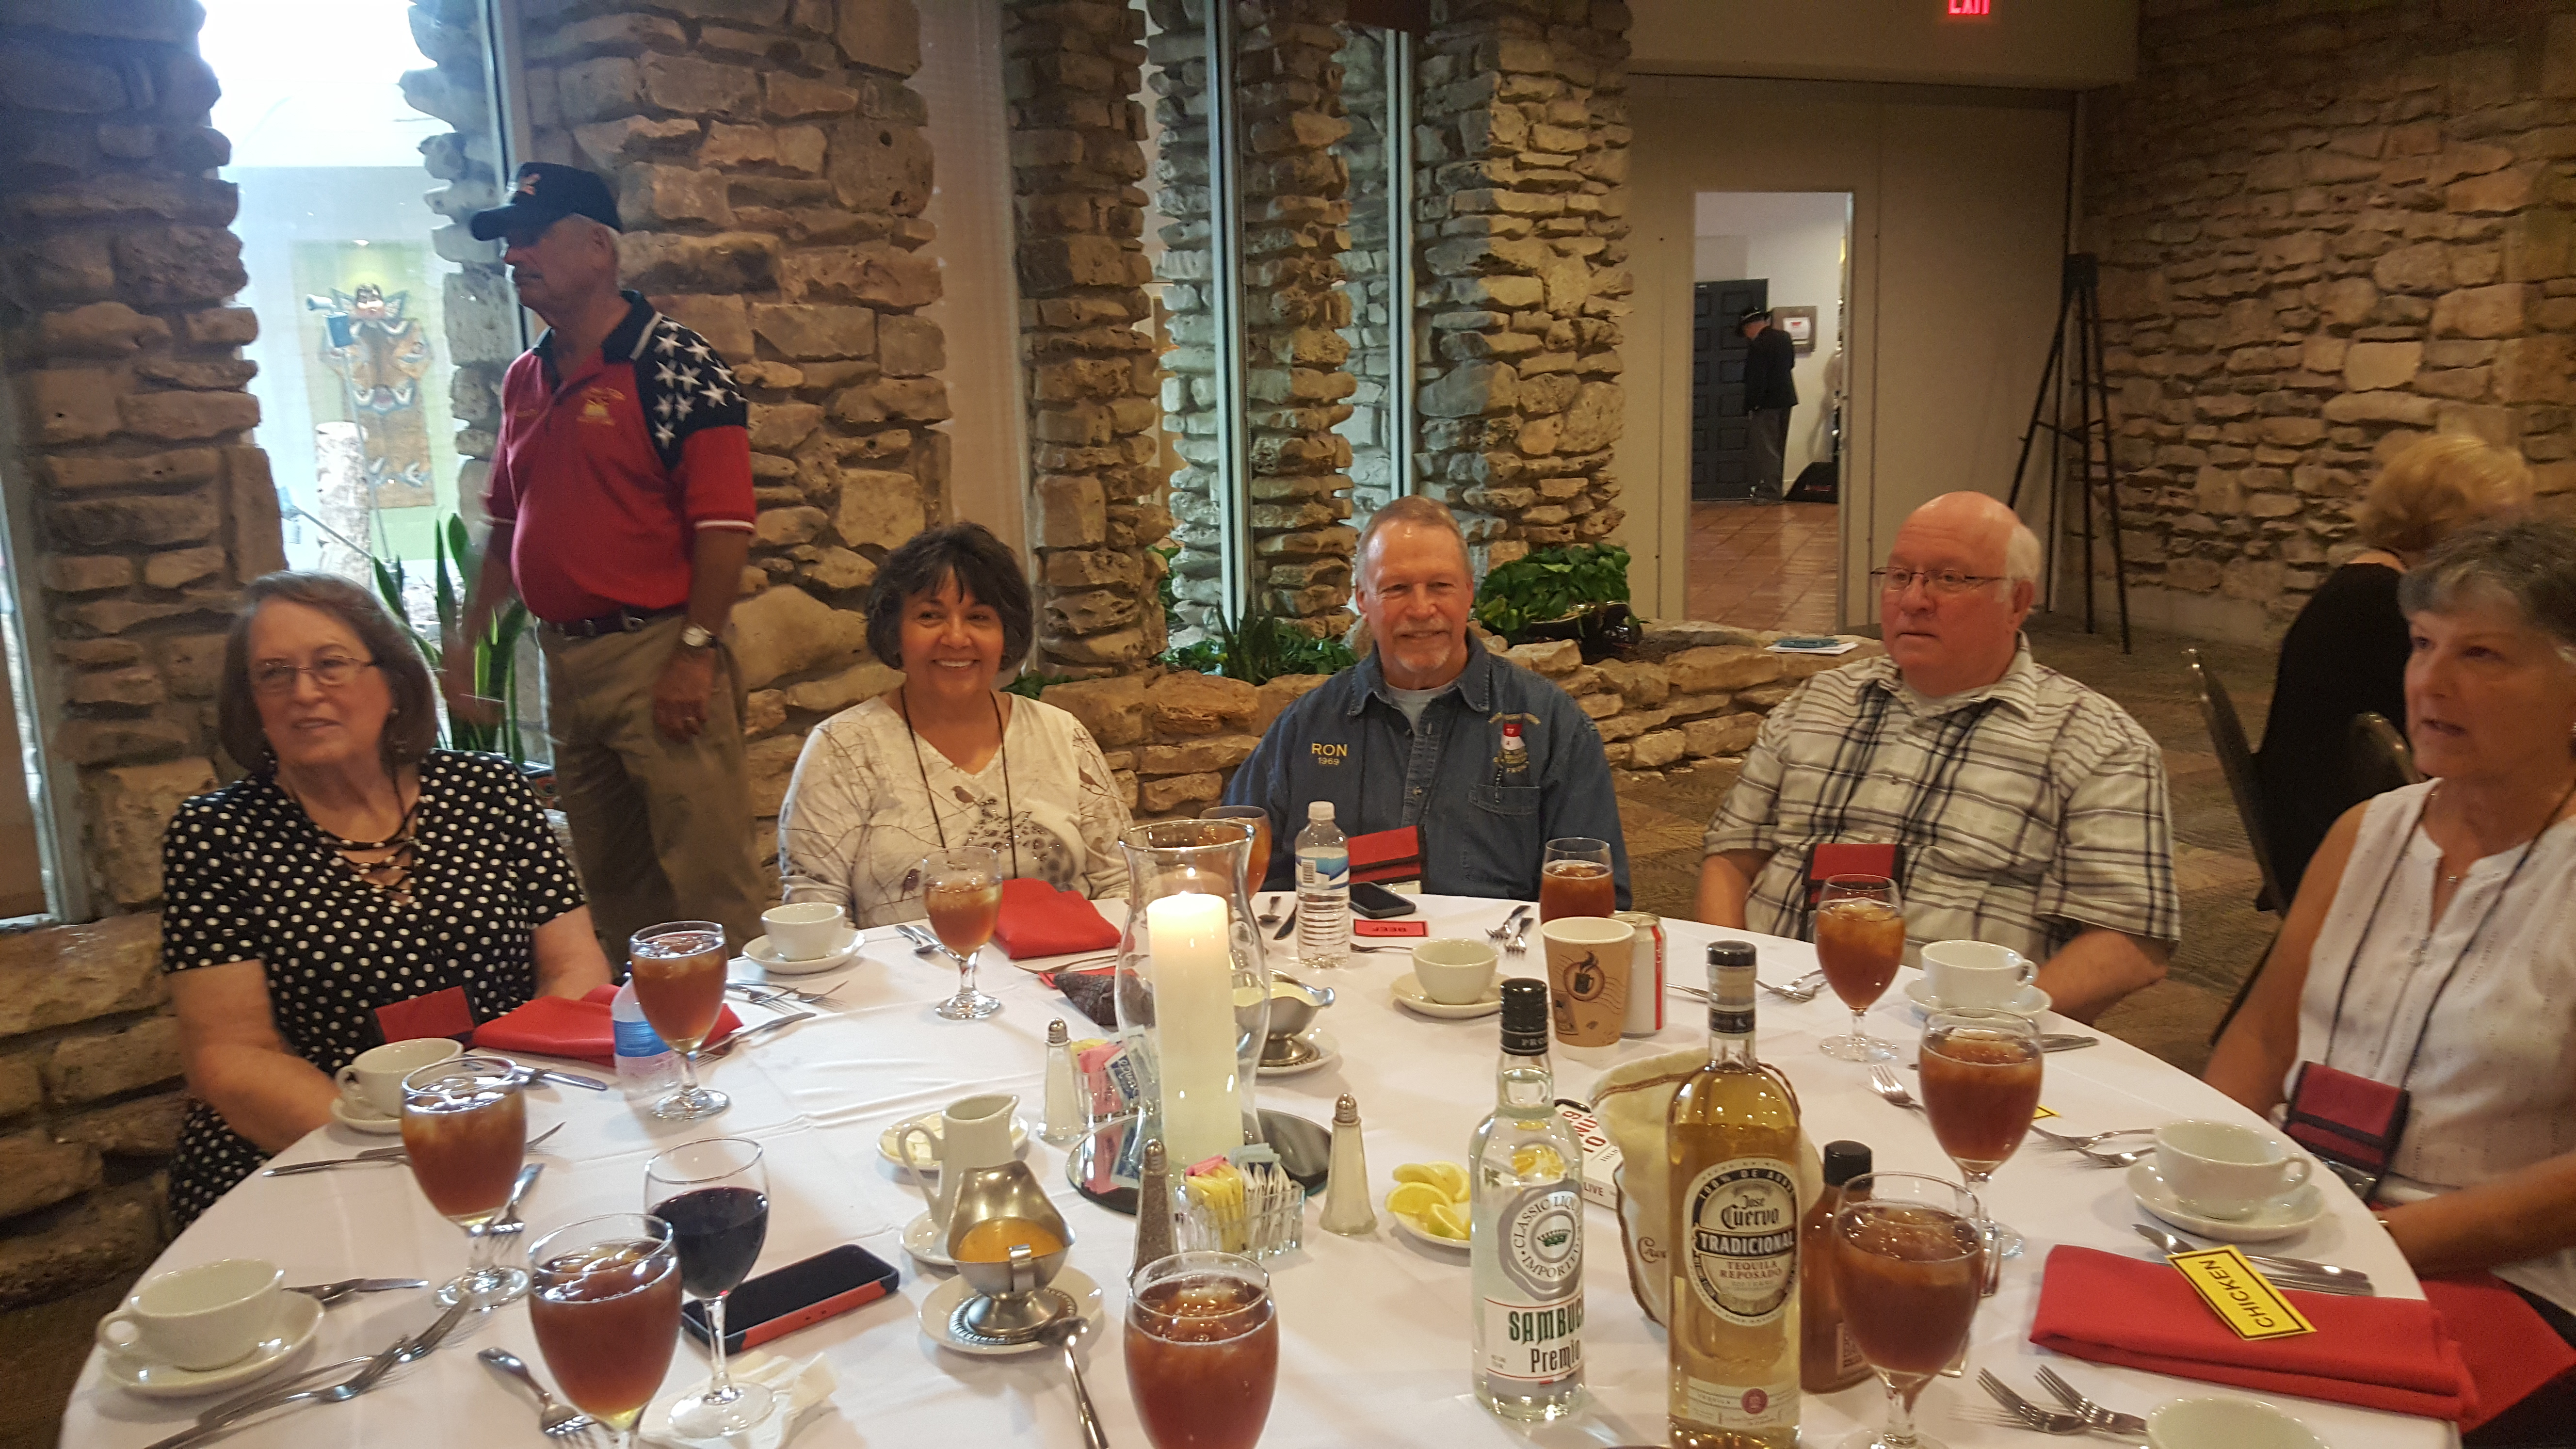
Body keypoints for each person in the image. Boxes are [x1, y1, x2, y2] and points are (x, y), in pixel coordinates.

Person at [2206, 518, 2576, 1440]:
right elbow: (2262, 1037)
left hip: (2498, 1276)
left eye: (2481, 654)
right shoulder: (2365, 832)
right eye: (2421, 644)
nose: (2430, 682)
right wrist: (2210, 1180)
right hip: (2296, 1220)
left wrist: (2363, 1238)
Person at [161, 574, 612, 1226]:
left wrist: (499, 1107)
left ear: (394, 683)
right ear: (250, 701)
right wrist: (398, 1146)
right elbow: (230, 1057)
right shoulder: (216, 835)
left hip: (512, 1119)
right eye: (274, 674)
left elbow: (575, 965)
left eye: (331, 665)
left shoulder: (489, 793)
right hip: (318, 1149)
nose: (304, 692)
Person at [1697, 491, 2179, 1023]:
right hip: (1770, 1013)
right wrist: (1735, 996)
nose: (1913, 600)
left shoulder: (2099, 747)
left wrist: (1983, 1030)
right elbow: (1731, 858)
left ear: (2017, 603)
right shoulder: (1818, 702)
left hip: (1958, 1035)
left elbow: (2130, 943)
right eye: (1899, 576)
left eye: (1949, 579)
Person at [448, 161, 764, 958]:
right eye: (508, 242)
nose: (513, 255)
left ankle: (745, 1028)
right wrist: (467, 640)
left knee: (708, 882)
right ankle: (648, 1024)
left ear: (598, 247)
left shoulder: (676, 364)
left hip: (657, 651)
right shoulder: (525, 376)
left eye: (532, 237)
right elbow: (505, 521)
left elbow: (725, 526)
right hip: (566, 661)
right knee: (613, 885)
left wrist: (695, 652)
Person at [1223, 496, 1631, 903]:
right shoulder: (1304, 728)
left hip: (1496, 946)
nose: (1421, 609)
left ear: (1469, 592)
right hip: (1337, 941)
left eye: (1440, 586)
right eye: (1396, 588)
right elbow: (1234, 873)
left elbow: (1596, 899)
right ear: (1362, 599)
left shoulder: (1553, 725)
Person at [776, 523, 1130, 926]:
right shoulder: (842, 748)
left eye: (979, 617)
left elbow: (1123, 882)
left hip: (1059, 963)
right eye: (930, 616)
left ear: (1006, 633)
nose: (957, 638)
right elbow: (815, 915)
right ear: (894, 631)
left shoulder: (1062, 734)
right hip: (904, 968)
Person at [2252, 433, 2531, 900]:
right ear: (2447, 523)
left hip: (2323, 819)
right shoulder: (2383, 602)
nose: (2511, 548)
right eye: (2497, 526)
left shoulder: (2375, 582)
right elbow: (2455, 735)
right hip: (2338, 843)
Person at [1741, 307, 1798, 504]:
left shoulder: (1759, 344)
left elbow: (1757, 378)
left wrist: (1753, 404)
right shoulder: (1785, 338)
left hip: (1765, 403)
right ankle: (1776, 487)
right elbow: (1790, 365)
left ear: (1749, 327)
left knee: (1767, 448)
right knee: (1779, 446)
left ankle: (1771, 492)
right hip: (1786, 399)